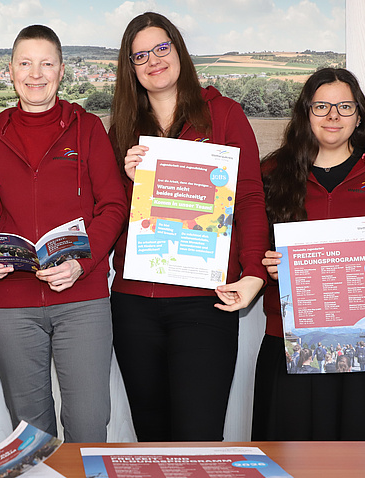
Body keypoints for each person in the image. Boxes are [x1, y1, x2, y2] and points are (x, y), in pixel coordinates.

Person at [253, 67, 365, 440]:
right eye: (321, 106)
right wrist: (266, 263)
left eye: (344, 106)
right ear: (305, 113)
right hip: (297, 337)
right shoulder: (272, 171)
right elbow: (255, 247)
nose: (333, 116)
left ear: (359, 115)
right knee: (299, 454)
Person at [108, 12, 268, 441]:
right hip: (134, 302)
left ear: (178, 50)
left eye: (161, 48)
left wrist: (253, 272)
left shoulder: (225, 114)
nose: (153, 61)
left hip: (204, 301)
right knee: (153, 443)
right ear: (130, 67)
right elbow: (109, 213)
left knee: (199, 441)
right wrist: (125, 177)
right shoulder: (122, 128)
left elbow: (250, 197)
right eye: (139, 55)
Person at [0, 25, 127, 442]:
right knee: (30, 432)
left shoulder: (88, 127)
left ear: (61, 71)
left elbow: (113, 206)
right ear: (10, 71)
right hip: (12, 303)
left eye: (46, 64)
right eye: (25, 63)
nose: (35, 74)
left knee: (89, 423)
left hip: (83, 298)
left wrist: (83, 263)